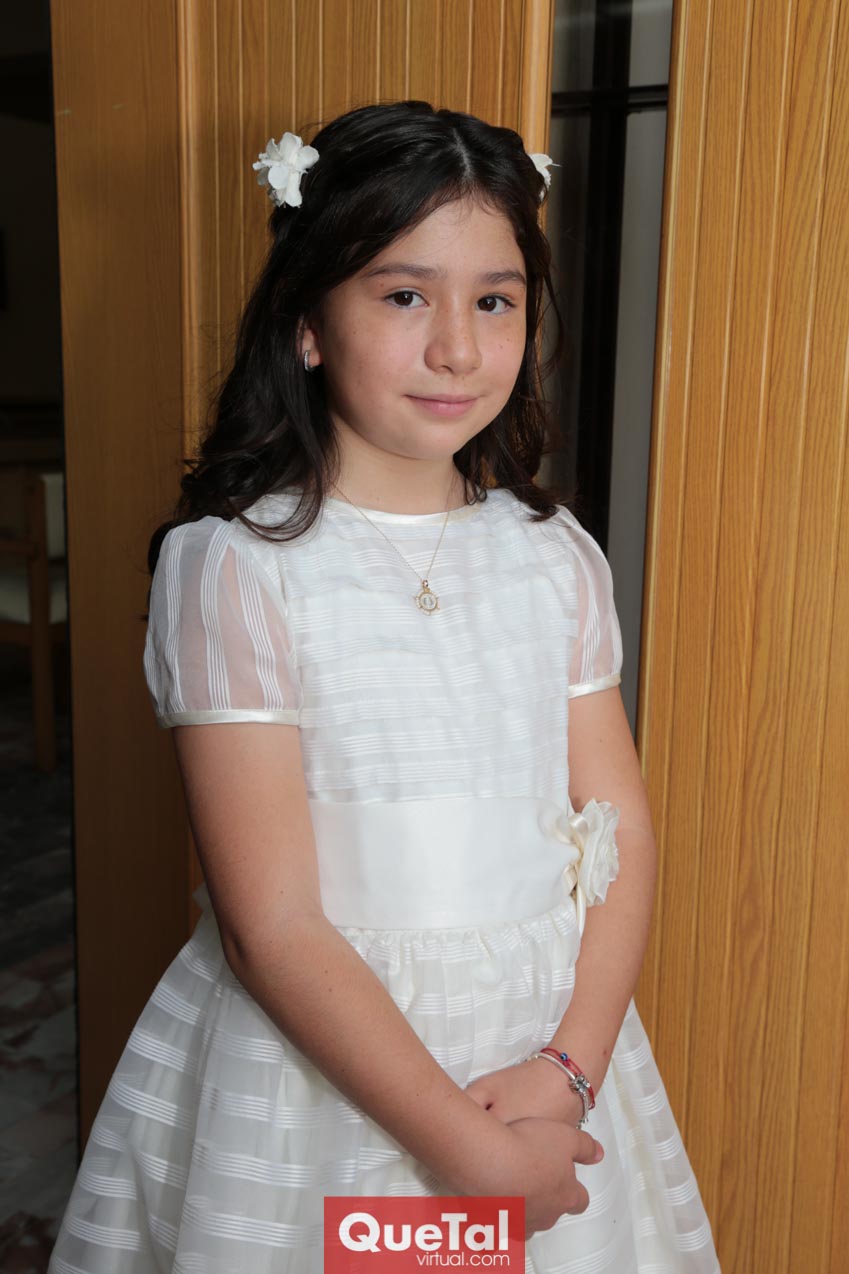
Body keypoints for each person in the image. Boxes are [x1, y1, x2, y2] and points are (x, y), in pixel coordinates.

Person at [49, 100, 720, 1273]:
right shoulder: (238, 566)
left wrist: (569, 1068)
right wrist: (468, 1151)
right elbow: (269, 925)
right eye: (406, 295)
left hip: (538, 1050)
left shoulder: (554, 554)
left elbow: (621, 829)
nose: (458, 347)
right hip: (332, 1069)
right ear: (308, 323)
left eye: (495, 301)